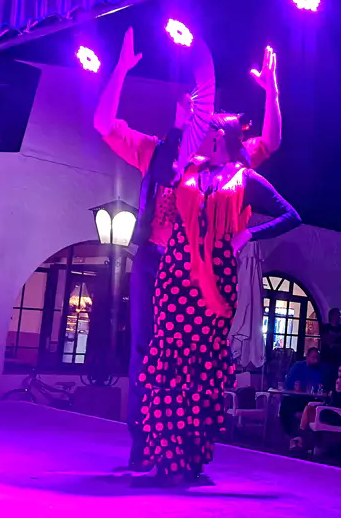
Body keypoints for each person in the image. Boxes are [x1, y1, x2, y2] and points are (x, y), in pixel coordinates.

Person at [94, 28, 284, 472]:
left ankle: (186, 444)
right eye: (198, 112)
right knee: (147, 349)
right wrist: (120, 70)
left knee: (194, 357)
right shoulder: (160, 153)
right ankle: (145, 439)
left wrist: (272, 92)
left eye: (211, 119)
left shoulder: (223, 167)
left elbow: (269, 142)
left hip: (201, 270)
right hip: (156, 260)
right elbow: (104, 125)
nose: (206, 122)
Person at [131, 107, 299, 483]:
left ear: (220, 137)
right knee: (170, 361)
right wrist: (178, 122)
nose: (200, 136)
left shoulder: (244, 177)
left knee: (201, 366)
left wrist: (248, 234)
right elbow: (159, 169)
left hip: (217, 273)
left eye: (205, 130)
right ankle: (166, 457)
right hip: (176, 269)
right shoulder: (187, 169)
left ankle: (191, 455)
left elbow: (291, 214)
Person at [279, 348, 330, 436]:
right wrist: (294, 386)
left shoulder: (321, 369)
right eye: (313, 358)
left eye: (317, 358)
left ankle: (301, 435)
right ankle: (290, 434)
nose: (316, 360)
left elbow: (323, 386)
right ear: (307, 357)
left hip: (314, 399)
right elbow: (288, 383)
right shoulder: (298, 366)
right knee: (285, 405)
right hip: (298, 398)